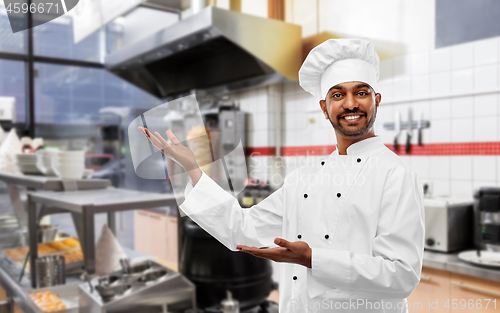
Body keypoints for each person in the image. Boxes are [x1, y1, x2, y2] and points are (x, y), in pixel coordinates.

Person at [138, 38, 425, 313]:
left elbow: (401, 275)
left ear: (376, 100)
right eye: (337, 95)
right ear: (324, 108)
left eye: (361, 92)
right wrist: (193, 169)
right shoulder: (305, 178)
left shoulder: (396, 174)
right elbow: (242, 228)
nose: (350, 104)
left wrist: (313, 259)